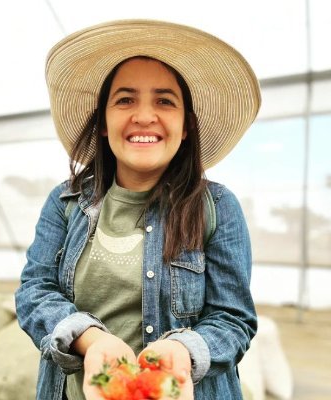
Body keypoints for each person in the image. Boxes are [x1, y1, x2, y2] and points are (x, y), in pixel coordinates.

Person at [15, 19, 261, 400]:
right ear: (102, 122)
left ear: (185, 127)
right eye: (125, 99)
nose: (144, 116)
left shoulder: (217, 207)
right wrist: (91, 340)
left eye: (165, 101)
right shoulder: (64, 203)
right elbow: (34, 291)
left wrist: (180, 352)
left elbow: (233, 319)